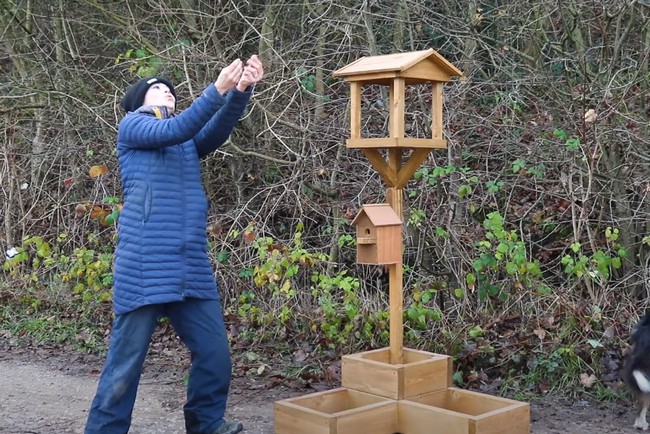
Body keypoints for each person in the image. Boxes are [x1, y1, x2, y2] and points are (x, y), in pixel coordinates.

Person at [84, 55, 264, 434]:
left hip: (189, 265)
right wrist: (216, 88)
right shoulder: (133, 127)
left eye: (169, 89)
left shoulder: (182, 142)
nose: (166, 91)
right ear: (139, 102)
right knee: (125, 365)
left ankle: (206, 424)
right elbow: (180, 127)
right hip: (145, 265)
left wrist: (241, 90)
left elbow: (213, 131)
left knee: (215, 355)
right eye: (156, 88)